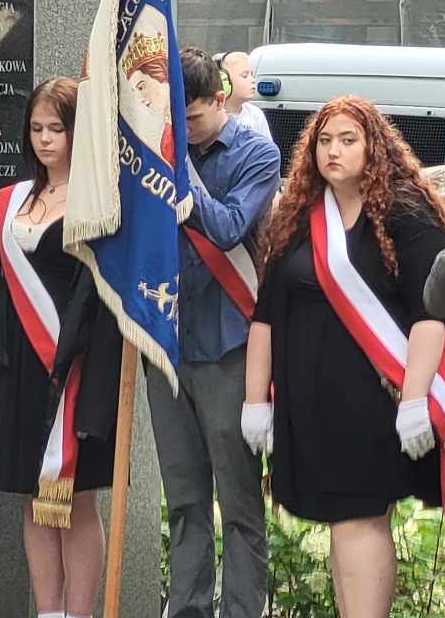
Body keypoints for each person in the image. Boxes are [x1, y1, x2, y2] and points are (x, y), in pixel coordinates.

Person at [244, 95, 445, 618]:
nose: (333, 151)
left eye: (347, 140)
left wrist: (414, 400)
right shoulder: (297, 218)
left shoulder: (405, 212)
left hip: (374, 402)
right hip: (310, 405)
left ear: (373, 146)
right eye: (324, 141)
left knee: (359, 519)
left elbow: (432, 312)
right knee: (342, 523)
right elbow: (266, 315)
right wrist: (255, 401)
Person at [0, 77, 119, 618]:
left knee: (75, 499)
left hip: (76, 366)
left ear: (80, 132)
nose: (45, 139)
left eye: (57, 128)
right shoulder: (12, 200)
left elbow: (98, 298)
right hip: (19, 366)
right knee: (33, 499)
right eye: (36, 128)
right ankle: (48, 610)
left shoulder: (99, 203)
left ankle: (80, 613)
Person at [146, 47, 279, 618]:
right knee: (184, 500)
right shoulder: (156, 147)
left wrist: (180, 168)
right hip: (167, 342)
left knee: (241, 503)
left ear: (219, 99)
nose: (184, 128)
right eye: (175, 118)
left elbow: (226, 226)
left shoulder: (256, 154)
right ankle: (189, 609)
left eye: (192, 116)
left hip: (229, 344)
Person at [217, 52, 271, 140]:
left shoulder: (256, 115)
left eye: (252, 75)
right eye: (245, 76)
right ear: (224, 81)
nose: (252, 80)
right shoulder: (213, 115)